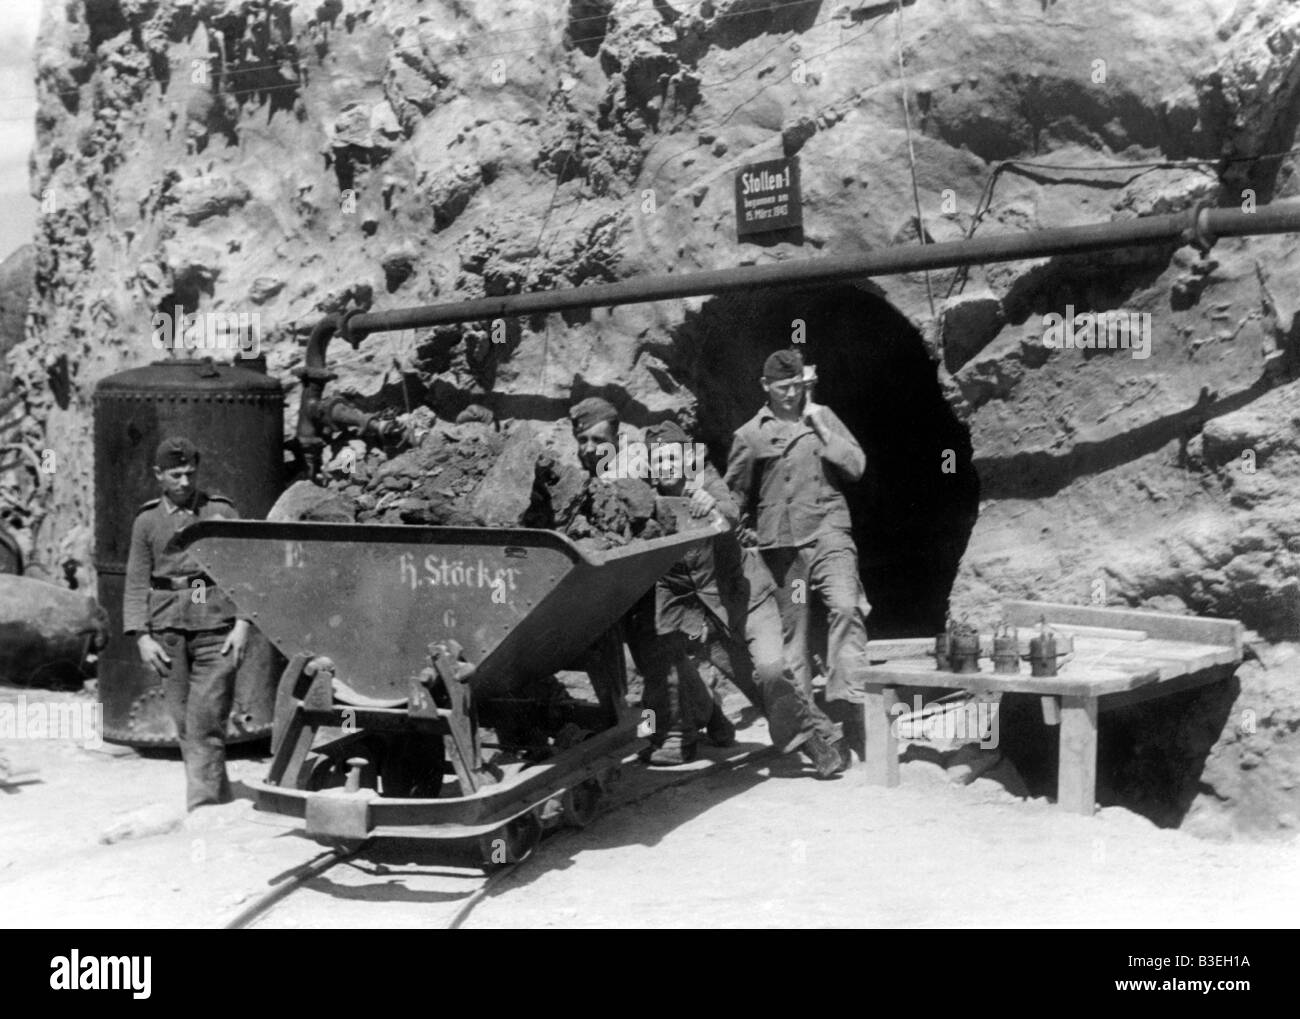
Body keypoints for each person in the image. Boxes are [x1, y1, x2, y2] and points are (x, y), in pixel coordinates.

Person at [645, 420, 845, 777]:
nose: (665, 467)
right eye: (657, 460)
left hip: (745, 599)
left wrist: (713, 506)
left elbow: (731, 510)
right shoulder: (646, 501)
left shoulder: (704, 481)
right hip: (700, 615)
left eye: (672, 458)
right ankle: (814, 737)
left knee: (770, 671)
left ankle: (815, 739)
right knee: (738, 681)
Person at [724, 349, 871, 760]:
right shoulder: (750, 435)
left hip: (828, 536)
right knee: (796, 639)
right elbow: (734, 494)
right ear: (765, 387)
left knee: (845, 606)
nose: (791, 395)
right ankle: (813, 730)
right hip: (786, 553)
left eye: (796, 386)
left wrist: (822, 426)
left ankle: (850, 700)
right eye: (782, 387)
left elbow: (856, 466)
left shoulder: (822, 418)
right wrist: (735, 529)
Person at [123, 437, 250, 810]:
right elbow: (135, 581)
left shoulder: (220, 512)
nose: (184, 482)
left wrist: (243, 623)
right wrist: (141, 636)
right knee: (184, 720)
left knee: (204, 719)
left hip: (216, 629)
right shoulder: (147, 521)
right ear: (158, 475)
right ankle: (217, 795)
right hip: (168, 633)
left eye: (190, 474)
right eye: (175, 475)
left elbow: (245, 572)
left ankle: (203, 806)